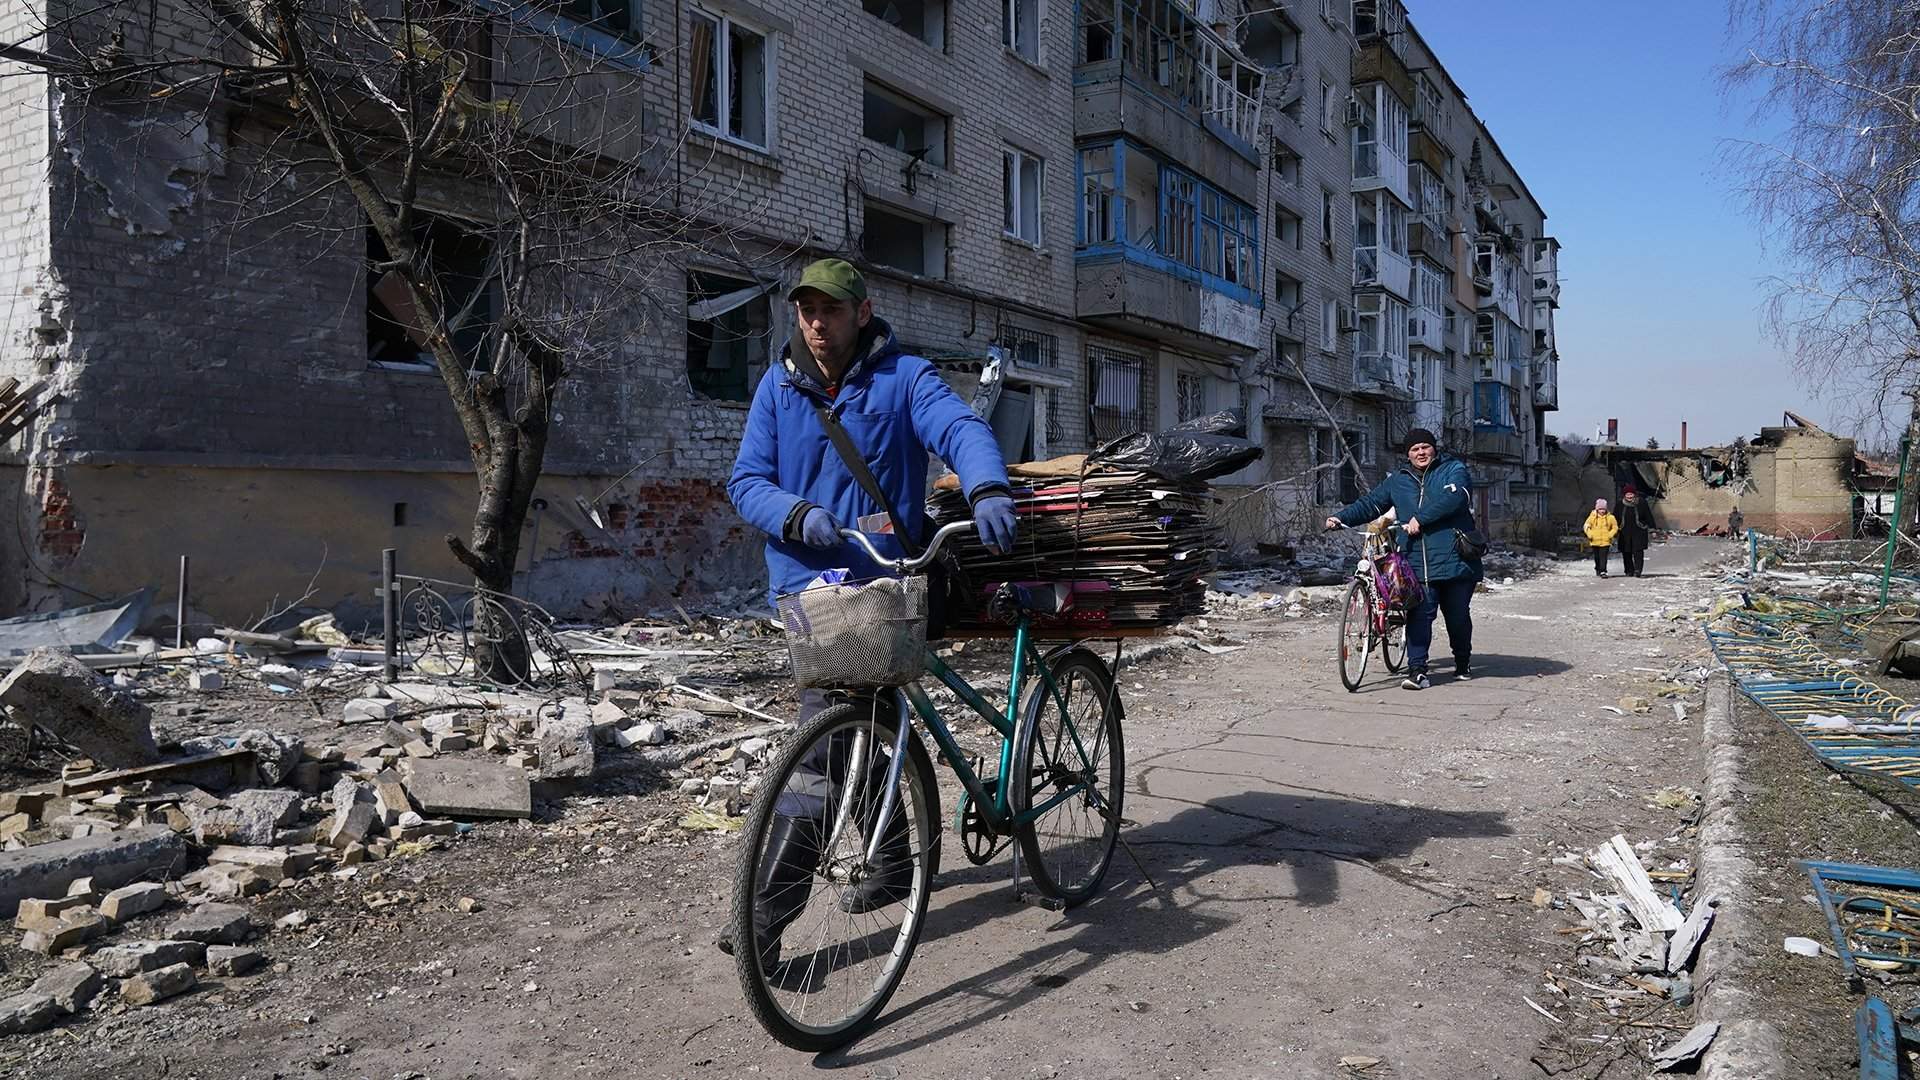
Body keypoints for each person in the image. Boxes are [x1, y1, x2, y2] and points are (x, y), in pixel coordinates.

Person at [725, 258, 1017, 968]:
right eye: (806, 311)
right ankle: (871, 873)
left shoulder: (903, 377)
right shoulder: (777, 386)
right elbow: (745, 481)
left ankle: (770, 920)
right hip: (809, 593)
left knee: (835, 744)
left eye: (830, 310)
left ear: (862, 311)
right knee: (839, 739)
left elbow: (960, 428)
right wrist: (795, 512)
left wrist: (985, 488)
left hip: (887, 585)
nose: (816, 323)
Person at [1325, 428, 1481, 691]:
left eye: (1425, 447)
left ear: (1434, 448)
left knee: (1457, 617)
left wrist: (1421, 518)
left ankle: (1463, 661)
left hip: (1454, 560)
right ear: (1408, 454)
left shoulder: (1453, 470)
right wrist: (1341, 517)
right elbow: (1372, 503)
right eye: (1415, 449)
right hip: (1416, 564)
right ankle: (1418, 671)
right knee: (1419, 615)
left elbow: (1454, 498)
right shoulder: (1398, 479)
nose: (1421, 453)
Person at [1617, 486, 1655, 578]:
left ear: (1634, 494)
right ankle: (1629, 570)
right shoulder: (1620, 504)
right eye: (1627, 494)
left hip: (1639, 531)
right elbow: (1615, 517)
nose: (1629, 496)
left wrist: (1652, 528)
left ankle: (1638, 570)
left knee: (1638, 551)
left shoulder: (1641, 502)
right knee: (1626, 552)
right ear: (1624, 495)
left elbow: (1648, 515)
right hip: (1624, 532)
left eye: (1631, 494)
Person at [1585, 498, 1619, 578]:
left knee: (1603, 556)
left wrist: (1610, 535)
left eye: (1603, 509)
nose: (1602, 511)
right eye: (1600, 509)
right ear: (1597, 509)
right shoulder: (1592, 517)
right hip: (1594, 541)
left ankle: (1603, 571)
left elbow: (1615, 527)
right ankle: (1598, 568)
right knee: (1597, 557)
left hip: (1605, 541)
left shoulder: (1610, 517)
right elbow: (1586, 526)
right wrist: (1590, 534)